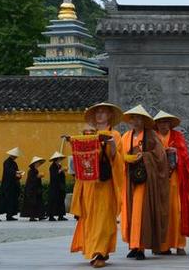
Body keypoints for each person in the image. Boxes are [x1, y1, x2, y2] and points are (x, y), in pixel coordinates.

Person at [70, 102, 124, 268]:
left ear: (109, 116)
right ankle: (96, 250)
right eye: (97, 113)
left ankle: (100, 252)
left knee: (103, 218)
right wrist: (72, 142)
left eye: (103, 112)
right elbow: (81, 157)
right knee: (91, 219)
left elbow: (117, 160)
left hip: (105, 184)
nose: (100, 115)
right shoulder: (87, 134)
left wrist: (111, 144)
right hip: (89, 184)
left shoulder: (114, 134)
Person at [121, 105, 170, 261]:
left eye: (139, 118)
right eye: (133, 118)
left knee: (141, 212)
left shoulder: (151, 135)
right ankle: (133, 245)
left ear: (144, 120)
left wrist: (144, 156)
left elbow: (160, 155)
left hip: (145, 180)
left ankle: (140, 246)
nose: (136, 121)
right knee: (130, 211)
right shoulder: (126, 136)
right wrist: (126, 158)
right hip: (130, 179)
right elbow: (119, 155)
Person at [153, 110, 189, 256]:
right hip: (158, 180)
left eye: (166, 122)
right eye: (160, 122)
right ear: (156, 124)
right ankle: (162, 245)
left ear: (170, 124)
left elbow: (184, 156)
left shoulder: (178, 136)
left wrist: (175, 153)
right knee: (160, 213)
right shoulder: (153, 137)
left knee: (176, 211)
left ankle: (179, 244)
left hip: (175, 180)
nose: (163, 125)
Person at [0, 147, 23, 221]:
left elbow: (15, 171)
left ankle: (9, 215)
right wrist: (16, 173)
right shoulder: (6, 162)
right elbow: (8, 172)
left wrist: (19, 175)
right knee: (4, 201)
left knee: (12, 201)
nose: (16, 157)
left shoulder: (14, 163)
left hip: (13, 185)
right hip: (7, 185)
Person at [21, 156, 46, 221]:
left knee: (39, 202)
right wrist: (37, 177)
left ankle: (40, 215)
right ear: (34, 163)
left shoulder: (36, 170)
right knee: (32, 203)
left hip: (36, 189)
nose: (38, 164)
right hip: (31, 190)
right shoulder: (31, 171)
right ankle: (32, 217)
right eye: (37, 163)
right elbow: (31, 180)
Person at [47, 151, 68, 221]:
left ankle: (60, 215)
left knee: (60, 201)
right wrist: (60, 171)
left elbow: (61, 176)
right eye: (59, 159)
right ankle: (51, 216)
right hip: (54, 187)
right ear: (56, 159)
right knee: (53, 201)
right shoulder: (52, 167)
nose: (60, 160)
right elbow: (54, 176)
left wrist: (62, 171)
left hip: (60, 187)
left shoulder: (59, 166)